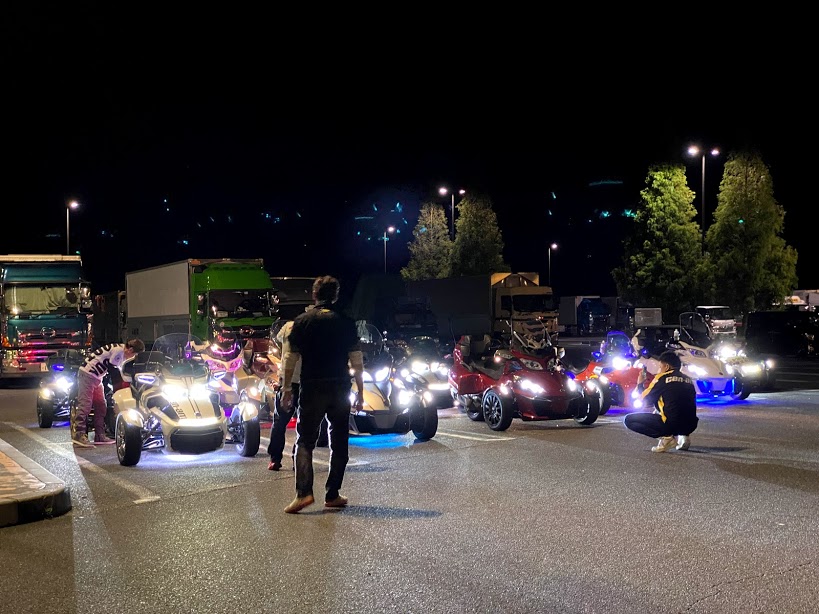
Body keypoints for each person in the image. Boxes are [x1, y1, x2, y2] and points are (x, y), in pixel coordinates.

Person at [280, 275, 364, 514]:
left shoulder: (302, 321)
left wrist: (287, 389)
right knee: (339, 439)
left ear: (314, 294)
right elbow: (356, 359)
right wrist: (360, 390)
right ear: (335, 295)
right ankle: (333, 493)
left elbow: (289, 358)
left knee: (305, 440)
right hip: (340, 386)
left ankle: (304, 493)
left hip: (312, 386)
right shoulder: (346, 322)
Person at [72, 338, 145, 448]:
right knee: (85, 405)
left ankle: (99, 435)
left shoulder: (120, 350)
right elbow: (113, 370)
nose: (133, 358)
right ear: (130, 350)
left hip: (97, 377)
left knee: (101, 406)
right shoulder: (119, 351)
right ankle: (79, 434)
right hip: (88, 375)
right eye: (134, 354)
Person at [624, 349, 698, 453]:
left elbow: (645, 399)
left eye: (660, 367)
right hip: (691, 425)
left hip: (672, 424)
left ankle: (666, 438)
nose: (659, 370)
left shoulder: (662, 378)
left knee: (629, 420)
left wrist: (640, 384)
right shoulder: (688, 379)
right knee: (671, 405)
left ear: (666, 367)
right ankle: (684, 436)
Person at [267, 319, 300, 471]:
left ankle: (275, 459)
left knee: (279, 422)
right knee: (304, 424)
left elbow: (279, 339)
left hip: (287, 380)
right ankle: (298, 459)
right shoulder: (313, 326)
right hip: (307, 381)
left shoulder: (286, 328)